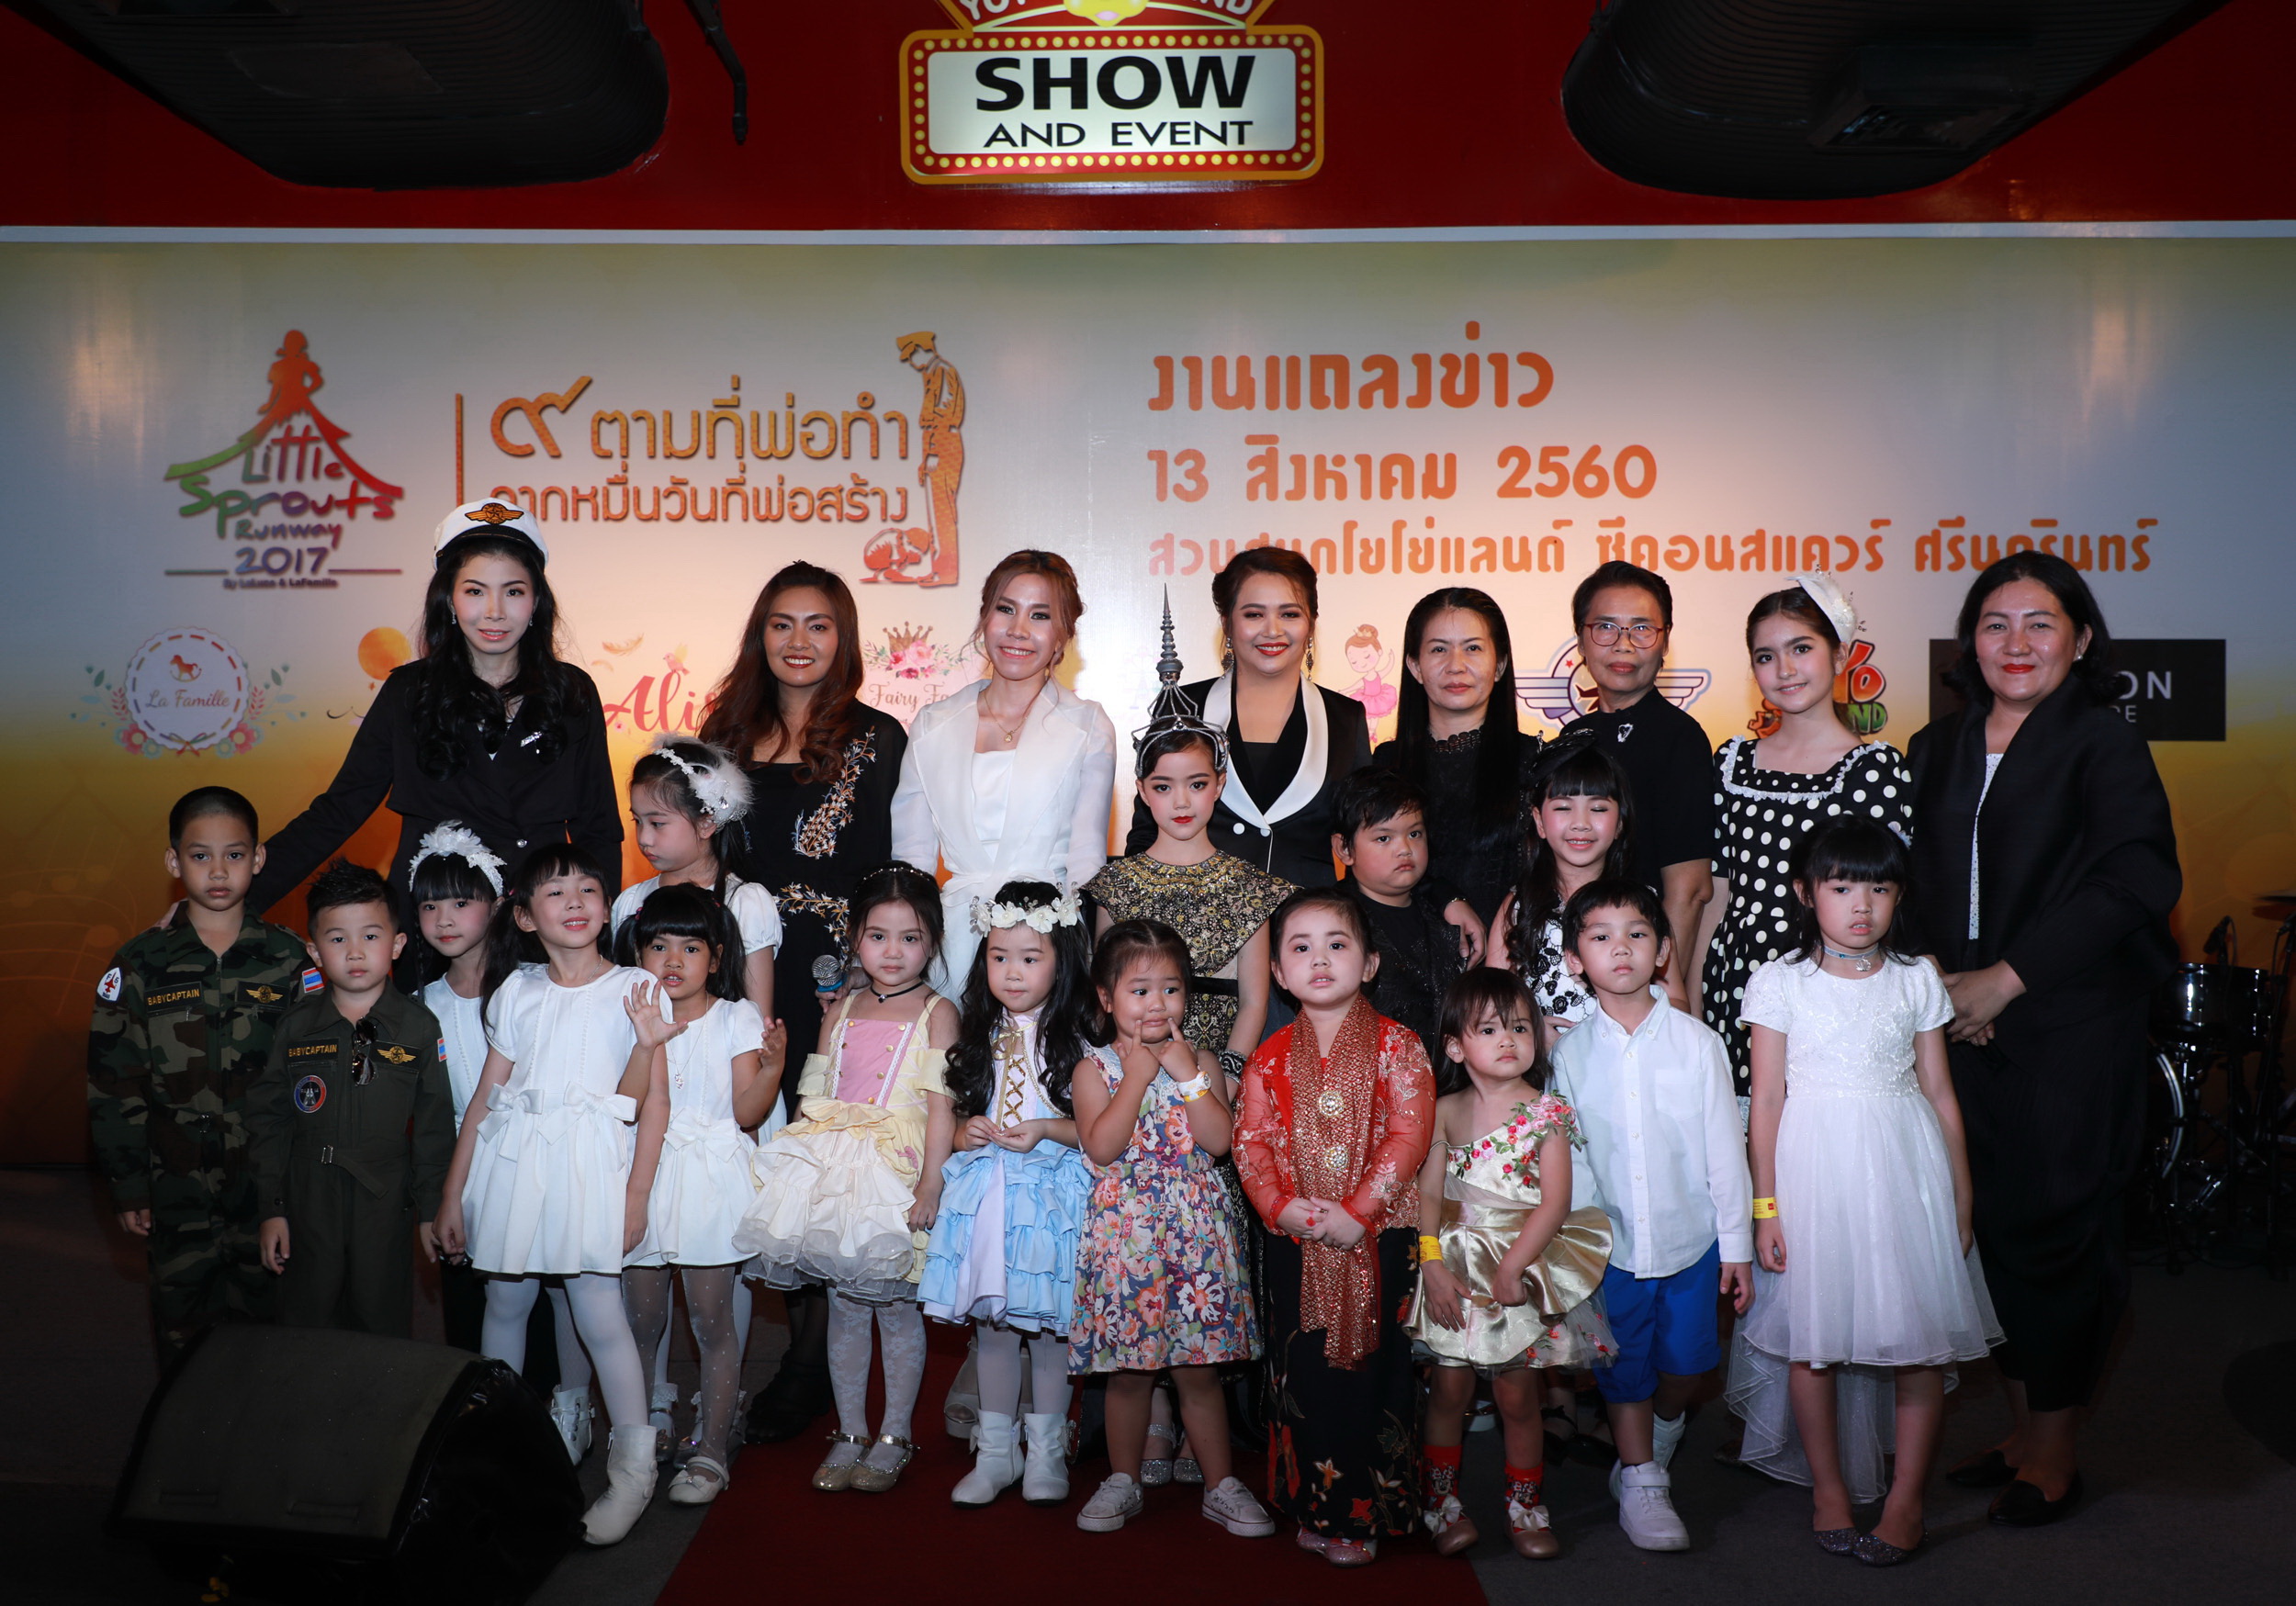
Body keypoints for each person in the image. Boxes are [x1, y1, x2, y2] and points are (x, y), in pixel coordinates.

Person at [1904, 552, 2179, 1527]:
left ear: (2081, 638)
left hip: (2068, 1030)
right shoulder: (1933, 747)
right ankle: (2022, 1432)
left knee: (2058, 1236)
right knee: (1987, 1235)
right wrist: (1934, 978)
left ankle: (2056, 1448)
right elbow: (1902, 882)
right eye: (1995, 624)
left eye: (2039, 623)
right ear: (1969, 643)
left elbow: (2135, 881)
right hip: (1956, 1031)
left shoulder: (2105, 744)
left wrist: (2005, 980)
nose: (2015, 643)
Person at [1727, 819, 1999, 1566]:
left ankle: (1906, 1498)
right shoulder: (1779, 980)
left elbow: (1940, 1093)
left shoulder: (1915, 978)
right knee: (1812, 1340)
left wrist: (1961, 1196)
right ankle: (1829, 1489)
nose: (1861, 904)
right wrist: (1764, 1205)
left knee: (1917, 1341)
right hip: (1813, 1173)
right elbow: (1767, 1100)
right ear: (1804, 891)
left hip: (1905, 1171)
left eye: (1879, 888)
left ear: (1899, 895)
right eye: (1842, 886)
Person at [702, 561, 907, 1443]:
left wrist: (868, 975)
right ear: (761, 633)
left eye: (818, 624)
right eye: (782, 623)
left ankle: (809, 1363)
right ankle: (769, 1342)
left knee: (825, 1152)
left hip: (834, 975)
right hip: (743, 966)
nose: (799, 641)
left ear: (843, 637)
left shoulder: (878, 736)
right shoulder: (722, 734)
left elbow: (887, 863)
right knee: (757, 1143)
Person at [433, 845, 670, 1547]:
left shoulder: (636, 986)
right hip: (516, 1161)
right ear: (526, 916)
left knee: (598, 1308)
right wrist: (453, 1193)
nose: (574, 901)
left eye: (588, 888)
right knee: (506, 1302)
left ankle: (633, 1470)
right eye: (556, 891)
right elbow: (486, 1097)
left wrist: (637, 1194)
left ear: (607, 906)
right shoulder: (517, 990)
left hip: (591, 1165)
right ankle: (508, 1451)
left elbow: (647, 1102)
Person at [245, 501, 622, 929]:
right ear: (449, 600)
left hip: (537, 927)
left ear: (536, 601)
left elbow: (598, 829)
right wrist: (235, 900)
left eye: (513, 591)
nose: (494, 611)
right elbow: (340, 810)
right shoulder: (410, 693)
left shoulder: (571, 693)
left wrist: (603, 930)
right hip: (434, 929)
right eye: (475, 591)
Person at [733, 864, 955, 1495]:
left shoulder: (939, 1012)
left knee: (897, 1310)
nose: (893, 952)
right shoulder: (843, 1008)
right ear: (855, 937)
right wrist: (798, 1166)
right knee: (846, 1307)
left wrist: (931, 1183)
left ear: (933, 942)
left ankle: (894, 1433)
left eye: (910, 938)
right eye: (878, 936)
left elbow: (942, 1106)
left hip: (896, 1169)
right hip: (836, 1166)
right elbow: (814, 1090)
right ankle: (851, 1430)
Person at [1234, 889, 1436, 1568]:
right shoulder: (1268, 1057)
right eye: (1301, 948)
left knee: (1374, 1374)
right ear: (1279, 973)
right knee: (1303, 1373)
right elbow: (1250, 1143)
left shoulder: (1399, 1046)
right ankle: (1310, 1504)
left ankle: (1363, 1513)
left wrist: (1359, 1212)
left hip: (1379, 1239)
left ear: (1370, 963)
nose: (1319, 959)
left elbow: (1410, 1136)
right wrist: (1276, 1205)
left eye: (1337, 944)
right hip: (1295, 1237)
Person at [1550, 879, 1752, 1553]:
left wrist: (1737, 1245)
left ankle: (1663, 1433)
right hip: (1612, 1249)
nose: (1621, 948)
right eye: (1600, 936)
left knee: (1689, 1367)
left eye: (1637, 933)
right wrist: (1577, 1250)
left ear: (1663, 949)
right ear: (1575, 958)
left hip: (1691, 1242)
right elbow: (1572, 1159)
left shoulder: (1698, 1043)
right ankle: (1641, 1478)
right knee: (1623, 1368)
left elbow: (1725, 1150)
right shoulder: (1569, 1055)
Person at [89, 787, 310, 1363]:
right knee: (182, 1335)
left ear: (258, 859)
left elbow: (313, 1079)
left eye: (234, 855)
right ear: (174, 861)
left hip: (266, 1187)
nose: (218, 871)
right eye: (200, 855)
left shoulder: (290, 960)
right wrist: (128, 1184)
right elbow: (114, 1082)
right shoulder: (140, 963)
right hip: (175, 1185)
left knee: (271, 1335)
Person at [1070, 918, 1271, 1539]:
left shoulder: (1201, 1060)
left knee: (1199, 1371)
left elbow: (1219, 1141)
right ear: (1106, 997)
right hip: (1127, 1237)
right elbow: (1102, 1147)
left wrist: (1187, 1075)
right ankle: (1122, 1479)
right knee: (1129, 1374)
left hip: (1195, 1235)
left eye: (1171, 988)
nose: (1157, 1003)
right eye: (1140, 990)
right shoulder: (1093, 1069)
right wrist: (1136, 1076)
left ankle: (1221, 1484)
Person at [1409, 968, 1615, 1562]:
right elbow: (1428, 1193)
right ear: (1455, 1046)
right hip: (1453, 1268)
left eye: (1521, 1027)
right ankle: (1441, 1503)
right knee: (1448, 1390)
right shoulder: (1444, 1110)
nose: (1508, 1039)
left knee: (1519, 1396)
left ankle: (1524, 1506)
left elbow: (1555, 1203)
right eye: (1490, 1029)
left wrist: (1513, 1268)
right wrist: (1431, 1264)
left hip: (1518, 1267)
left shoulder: (1547, 1112)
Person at [1690, 577, 1913, 1105]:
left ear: (1840, 656)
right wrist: (1694, 1002)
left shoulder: (1875, 770)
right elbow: (1716, 894)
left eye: (1801, 648)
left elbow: (1884, 899)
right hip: (1737, 980)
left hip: (1833, 989)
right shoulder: (1731, 762)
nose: (1785, 669)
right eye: (1766, 657)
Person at [408, 822, 583, 1451]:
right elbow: (427, 1115)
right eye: (430, 905)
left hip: (530, 1155)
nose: (445, 918)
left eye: (461, 901)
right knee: (475, 1304)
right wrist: (435, 1198)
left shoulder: (532, 986)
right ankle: (489, 1426)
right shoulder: (420, 1004)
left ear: (499, 905)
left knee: (558, 1291)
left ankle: (565, 1413)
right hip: (460, 1170)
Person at [921, 882, 1095, 1508]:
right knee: (993, 1329)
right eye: (999, 957)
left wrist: (1047, 1129)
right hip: (989, 1197)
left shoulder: (1082, 1038)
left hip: (1051, 1201)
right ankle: (996, 1452)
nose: (1013, 972)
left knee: (1049, 1332)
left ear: (1061, 960)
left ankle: (1047, 1452)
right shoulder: (976, 1032)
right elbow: (957, 1116)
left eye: (1029, 957)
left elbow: (1099, 1132)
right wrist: (965, 1131)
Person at [614, 885, 784, 1507]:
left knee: (712, 1321)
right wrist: (644, 1039)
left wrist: (772, 1068)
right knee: (641, 1319)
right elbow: (625, 1101)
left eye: (690, 948)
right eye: (658, 946)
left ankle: (712, 1442)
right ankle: (640, 1433)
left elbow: (746, 1111)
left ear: (715, 957)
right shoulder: (627, 1012)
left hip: (709, 1177)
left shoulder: (736, 1016)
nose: (672, 960)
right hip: (645, 1172)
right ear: (638, 953)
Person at [894, 549, 1117, 989]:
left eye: (1040, 615)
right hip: (951, 943)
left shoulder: (1088, 725)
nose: (1018, 630)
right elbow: (911, 866)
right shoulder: (933, 724)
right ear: (984, 617)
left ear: (1063, 634)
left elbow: (1086, 864)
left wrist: (1088, 970)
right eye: (1006, 609)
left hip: (1047, 945)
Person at [250, 860, 455, 1337]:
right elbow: (269, 1120)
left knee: (380, 1321)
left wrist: (430, 1210)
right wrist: (272, 1208)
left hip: (384, 1199)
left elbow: (434, 1127)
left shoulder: (419, 1028)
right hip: (308, 1196)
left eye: (371, 935)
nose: (355, 952)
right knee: (307, 1318)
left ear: (397, 945)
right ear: (315, 952)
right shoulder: (297, 1027)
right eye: (338, 938)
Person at [1088, 610, 1290, 1071]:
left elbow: (1254, 1002)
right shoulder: (1115, 884)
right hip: (1133, 1078)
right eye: (1163, 787)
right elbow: (1103, 997)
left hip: (1219, 1078)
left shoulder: (1250, 886)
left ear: (1219, 785)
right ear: (1142, 791)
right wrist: (1124, 1077)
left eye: (1197, 784)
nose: (1181, 802)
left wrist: (1229, 1082)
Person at [1121, 552, 1371, 888]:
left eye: (1289, 614)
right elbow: (1146, 834)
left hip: (1310, 915)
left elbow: (1366, 840)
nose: (1272, 630)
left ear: (1311, 623)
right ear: (1226, 622)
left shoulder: (1344, 717)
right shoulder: (1182, 707)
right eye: (1254, 614)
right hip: (1199, 910)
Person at [1560, 563, 1716, 1007]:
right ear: (1581, 640)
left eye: (1642, 629)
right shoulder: (1571, 739)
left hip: (1637, 984)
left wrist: (1660, 993)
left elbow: (1689, 889)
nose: (1623, 643)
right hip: (1573, 972)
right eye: (1606, 627)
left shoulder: (1680, 738)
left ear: (1665, 641)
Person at [1375, 585, 1538, 931]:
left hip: (1514, 953)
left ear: (1500, 665)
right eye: (1439, 649)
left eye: (1473, 648)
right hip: (1406, 951)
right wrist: (1445, 897)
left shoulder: (1536, 762)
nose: (1456, 666)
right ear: (1415, 666)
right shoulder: (1385, 766)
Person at [611, 736, 782, 1013]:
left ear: (706, 824)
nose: (644, 838)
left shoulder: (745, 902)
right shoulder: (631, 900)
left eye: (657, 823)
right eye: (638, 821)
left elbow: (757, 1015)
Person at [1490, 742, 1633, 1049]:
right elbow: (1493, 1000)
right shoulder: (1518, 906)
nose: (1581, 823)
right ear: (1539, 821)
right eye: (1563, 808)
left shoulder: (1640, 907)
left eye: (1598, 809)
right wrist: (1529, 1029)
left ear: (1620, 822)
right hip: (1541, 1068)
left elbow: (1675, 1000)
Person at [1329, 767, 1474, 1067]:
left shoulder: (1447, 916)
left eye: (1415, 834)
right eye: (1384, 838)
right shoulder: (1329, 921)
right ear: (1344, 848)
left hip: (1451, 1080)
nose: (1405, 849)